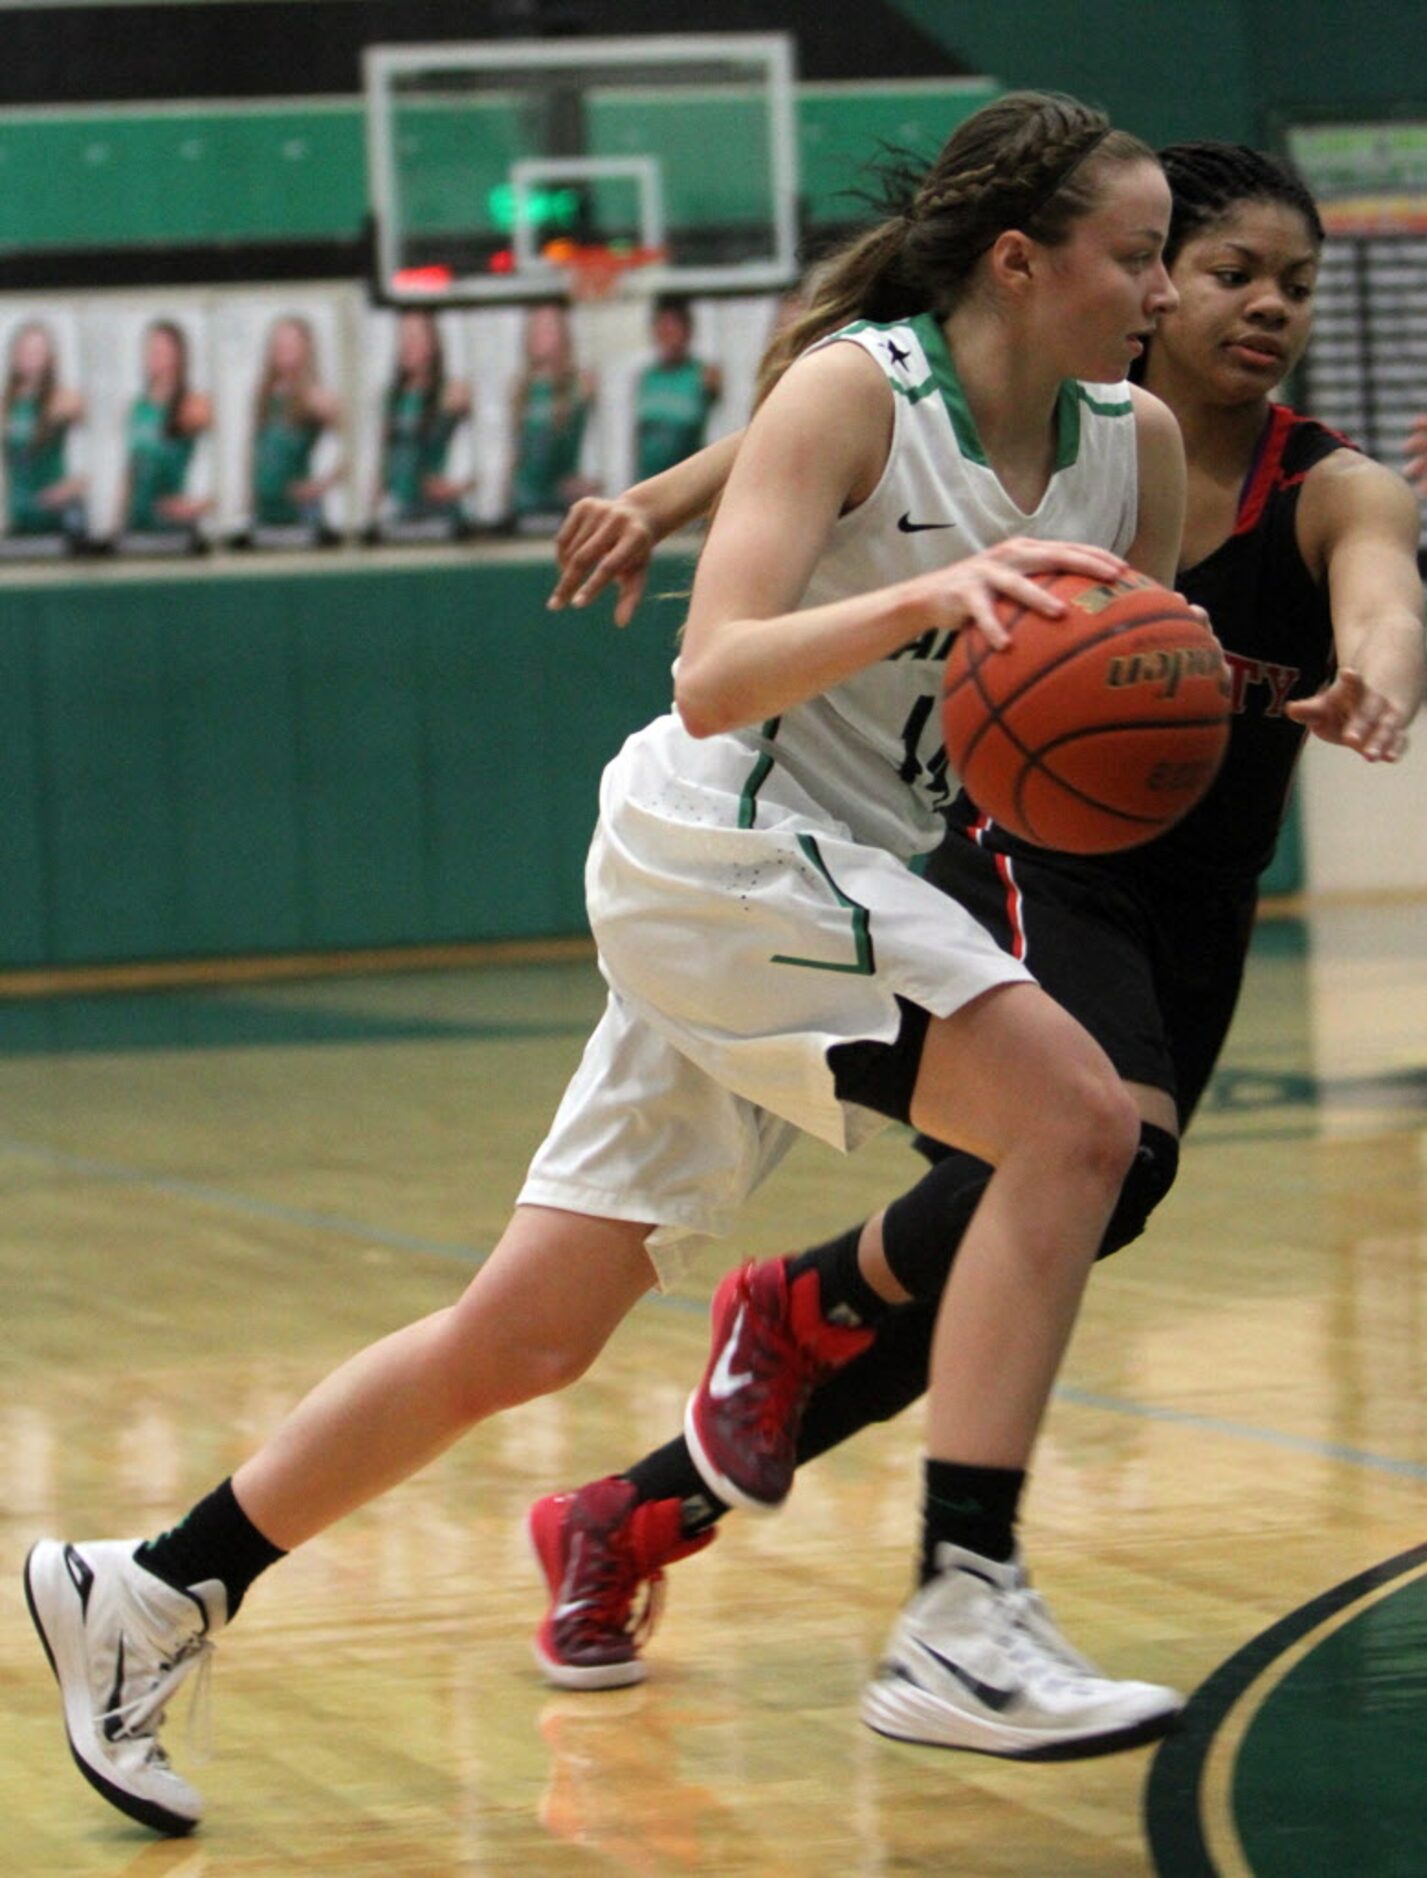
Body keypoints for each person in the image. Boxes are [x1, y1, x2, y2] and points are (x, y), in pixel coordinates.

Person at [25, 92, 1191, 1838]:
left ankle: (157, 1582)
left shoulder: (1134, 446)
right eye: (1140, 252)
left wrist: (1244, 697)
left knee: (531, 1328)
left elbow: (1109, 704)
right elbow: (715, 672)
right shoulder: (857, 390)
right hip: (722, 832)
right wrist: (928, 598)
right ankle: (963, 1605)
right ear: (1021, 263)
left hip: (844, 869)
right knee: (1079, 1129)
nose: (1163, 288)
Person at [530, 141, 1427, 1696]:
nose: (1262, 305)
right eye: (1226, 271)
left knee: (1079, 1207)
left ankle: (637, 1506)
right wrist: (671, 497)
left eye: (1298, 282)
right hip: (1030, 850)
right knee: (1089, 1147)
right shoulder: (1053, 428)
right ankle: (925, 1519)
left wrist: (1384, 681)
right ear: (1135, 283)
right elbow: (808, 441)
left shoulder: (1321, 479)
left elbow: (1385, 596)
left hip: (1195, 892)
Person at [373, 308, 472, 532]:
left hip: (437, 514)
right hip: (397, 513)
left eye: (415, 337)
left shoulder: (452, 393)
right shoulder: (391, 398)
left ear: (433, 343)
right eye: (403, 337)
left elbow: (498, 436)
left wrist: (461, 485)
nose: (407, 345)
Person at [115, 320, 211, 540]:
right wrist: (116, 524)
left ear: (178, 355)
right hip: (136, 527)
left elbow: (237, 457)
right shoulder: (135, 408)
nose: (155, 356)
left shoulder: (193, 405)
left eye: (163, 351)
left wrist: (204, 503)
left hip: (173, 530)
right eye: (151, 350)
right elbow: (130, 471)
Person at [248, 314, 342, 535]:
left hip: (299, 513)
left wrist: (321, 485)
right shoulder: (265, 395)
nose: (284, 349)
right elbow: (256, 452)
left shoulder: (314, 396)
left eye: (291, 343)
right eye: (279, 343)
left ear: (306, 347)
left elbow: (360, 441)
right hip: (264, 512)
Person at [508, 299, 597, 528]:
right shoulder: (518, 390)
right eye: (538, 327)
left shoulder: (581, 385)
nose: (543, 335)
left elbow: (599, 438)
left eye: (550, 328)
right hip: (522, 505)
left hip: (564, 507)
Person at [2, 321, 86, 541]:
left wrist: (72, 487)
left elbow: (106, 453)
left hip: (58, 518)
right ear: (14, 356)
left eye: (37, 351)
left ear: (49, 358)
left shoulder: (65, 400)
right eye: (25, 351)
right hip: (19, 519)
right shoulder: (5, 406)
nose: (30, 358)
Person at [632, 294, 722, 483]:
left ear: (688, 330)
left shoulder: (703, 374)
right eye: (662, 326)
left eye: (674, 326)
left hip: (688, 484)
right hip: (650, 485)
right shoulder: (646, 377)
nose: (668, 333)